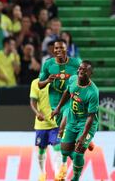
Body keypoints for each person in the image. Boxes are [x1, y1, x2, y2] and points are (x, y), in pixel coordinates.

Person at [38, 39, 81, 180]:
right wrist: (47, 81)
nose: (58, 51)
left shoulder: (75, 63)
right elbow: (39, 84)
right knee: (63, 140)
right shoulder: (48, 64)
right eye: (56, 48)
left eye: (61, 48)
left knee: (67, 120)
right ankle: (64, 164)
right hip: (54, 104)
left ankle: (65, 163)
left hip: (70, 101)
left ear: (66, 48)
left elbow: (84, 78)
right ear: (53, 49)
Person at [51, 61, 99, 181]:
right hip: (72, 119)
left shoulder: (93, 92)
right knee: (65, 151)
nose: (81, 71)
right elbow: (67, 92)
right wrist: (58, 108)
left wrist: (83, 136)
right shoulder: (73, 79)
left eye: (85, 70)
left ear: (90, 73)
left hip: (86, 123)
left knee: (78, 152)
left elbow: (91, 117)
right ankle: (87, 143)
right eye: (80, 68)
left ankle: (76, 178)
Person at [29, 77, 61, 181]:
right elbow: (32, 101)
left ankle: (58, 174)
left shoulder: (58, 82)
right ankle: (42, 173)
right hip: (41, 124)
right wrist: (37, 113)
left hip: (55, 123)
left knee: (57, 148)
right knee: (41, 150)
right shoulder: (36, 82)